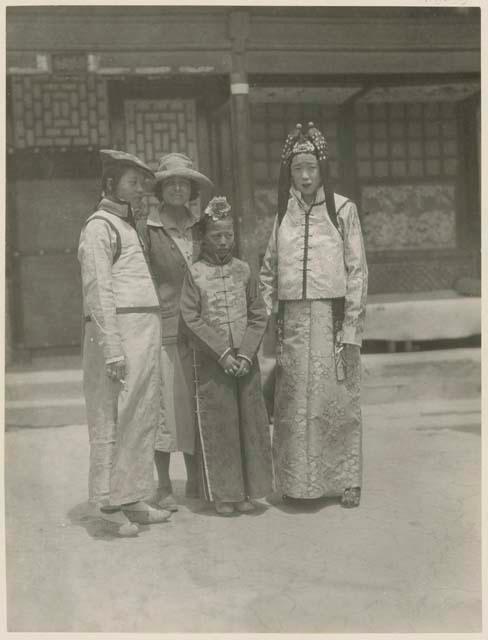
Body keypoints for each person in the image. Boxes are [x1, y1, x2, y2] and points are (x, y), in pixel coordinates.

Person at [260, 123, 368, 508]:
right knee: (292, 405)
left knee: (335, 401)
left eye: (311, 168)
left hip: (331, 320)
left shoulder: (342, 210)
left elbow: (357, 271)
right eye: (297, 168)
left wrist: (352, 328)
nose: (305, 176)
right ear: (289, 172)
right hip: (293, 325)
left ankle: (346, 480)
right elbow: (268, 271)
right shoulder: (281, 215)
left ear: (322, 169)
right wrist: (265, 318)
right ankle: (296, 482)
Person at [78, 149, 170, 536]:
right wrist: (112, 348)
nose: (138, 188)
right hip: (117, 334)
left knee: (140, 413)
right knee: (110, 416)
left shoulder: (129, 225)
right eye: (130, 182)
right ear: (110, 184)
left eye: (140, 182)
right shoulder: (99, 227)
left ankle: (132, 497)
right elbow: (98, 292)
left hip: (143, 331)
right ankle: (107, 504)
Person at [179, 196, 274, 516]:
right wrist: (222, 353)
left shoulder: (244, 270)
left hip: (245, 360)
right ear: (205, 237)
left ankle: (248, 491)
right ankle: (224, 493)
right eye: (217, 235)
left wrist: (246, 354)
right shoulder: (195, 273)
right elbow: (191, 317)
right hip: (212, 361)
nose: (223, 241)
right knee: (220, 424)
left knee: (249, 422)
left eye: (229, 235)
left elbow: (258, 314)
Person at [137, 153, 213, 512]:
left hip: (202, 327)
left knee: (197, 401)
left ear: (192, 189)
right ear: (161, 190)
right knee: (165, 407)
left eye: (185, 183)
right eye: (171, 183)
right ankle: (164, 484)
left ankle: (199, 477)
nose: (179, 188)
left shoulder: (203, 226)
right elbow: (143, 278)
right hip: (165, 325)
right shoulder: (148, 230)